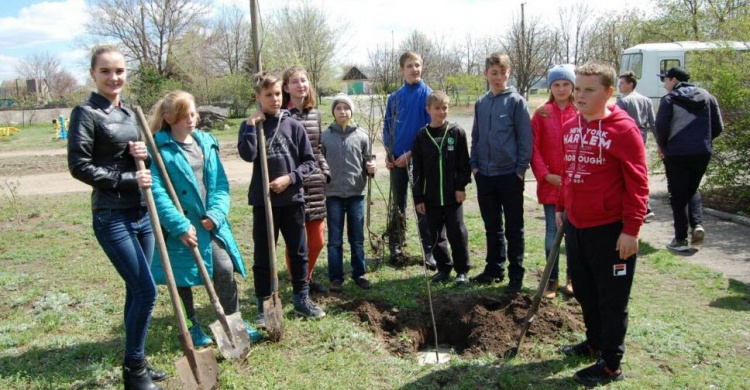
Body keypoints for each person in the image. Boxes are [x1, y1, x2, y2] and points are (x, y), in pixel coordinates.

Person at [67, 45, 165, 390]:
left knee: (135, 291)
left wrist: (143, 155)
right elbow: (79, 166)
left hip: (140, 212)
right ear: (93, 74)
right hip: (111, 215)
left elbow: (139, 162)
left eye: (120, 71)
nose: (114, 77)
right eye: (106, 71)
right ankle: (134, 369)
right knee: (146, 291)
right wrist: (126, 179)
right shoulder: (85, 113)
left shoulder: (128, 114)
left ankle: (135, 358)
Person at [555, 62, 649, 387]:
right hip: (577, 226)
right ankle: (593, 342)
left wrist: (631, 230)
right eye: (577, 88)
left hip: (611, 231)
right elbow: (568, 170)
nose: (579, 95)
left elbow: (638, 184)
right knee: (584, 290)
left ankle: (611, 364)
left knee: (612, 300)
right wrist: (561, 206)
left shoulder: (624, 131)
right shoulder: (572, 124)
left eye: (588, 90)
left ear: (609, 92)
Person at [146, 91, 248, 347]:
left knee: (224, 268)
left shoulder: (206, 143)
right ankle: (192, 325)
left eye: (192, 113)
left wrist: (216, 213)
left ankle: (234, 323)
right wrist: (178, 225)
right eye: (182, 116)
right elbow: (156, 191)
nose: (190, 120)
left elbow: (221, 184)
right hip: (178, 226)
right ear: (168, 118)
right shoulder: (158, 149)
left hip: (209, 223)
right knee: (181, 278)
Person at [237, 73, 325, 324]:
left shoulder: (294, 126)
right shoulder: (252, 125)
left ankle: (301, 299)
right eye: (268, 95)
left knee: (299, 252)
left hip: (292, 200)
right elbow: (248, 154)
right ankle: (263, 307)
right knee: (263, 255)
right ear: (258, 98)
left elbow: (309, 162)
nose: (275, 99)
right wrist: (252, 126)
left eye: (277, 94)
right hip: (263, 202)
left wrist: (290, 178)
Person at [469, 53, 532, 295]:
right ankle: (494, 268)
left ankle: (516, 274)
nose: (497, 77)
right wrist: (475, 165)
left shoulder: (516, 102)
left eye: (501, 72)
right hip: (485, 174)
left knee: (514, 227)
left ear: (509, 73)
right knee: (492, 225)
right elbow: (475, 136)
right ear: (486, 74)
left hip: (509, 175)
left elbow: (525, 139)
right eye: (493, 73)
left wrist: (520, 170)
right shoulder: (481, 103)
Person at [382, 51, 440, 269]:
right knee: (398, 202)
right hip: (397, 160)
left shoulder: (428, 96)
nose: (414, 69)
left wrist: (412, 154)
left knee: (422, 205)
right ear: (401, 69)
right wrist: (390, 152)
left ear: (422, 67)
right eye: (409, 66)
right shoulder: (394, 97)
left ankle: (429, 250)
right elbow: (387, 126)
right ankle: (396, 244)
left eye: (417, 65)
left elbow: (429, 130)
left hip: (419, 160)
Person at [655, 66, 723, 251]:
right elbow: (718, 127)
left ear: (674, 80)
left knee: (678, 194)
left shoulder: (669, 99)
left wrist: (662, 146)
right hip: (702, 151)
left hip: (676, 153)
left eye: (665, 80)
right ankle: (698, 225)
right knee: (692, 189)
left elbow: (660, 126)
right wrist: (703, 141)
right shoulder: (708, 97)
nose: (664, 85)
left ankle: (680, 238)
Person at [412, 91, 471, 285]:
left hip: (452, 195)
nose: (441, 112)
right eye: (437, 108)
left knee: (457, 232)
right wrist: (418, 197)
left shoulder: (456, 132)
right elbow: (417, 170)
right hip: (430, 197)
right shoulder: (421, 136)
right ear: (428, 109)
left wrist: (461, 186)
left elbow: (464, 163)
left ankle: (462, 270)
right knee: (436, 234)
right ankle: (444, 268)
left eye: (444, 108)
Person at [281, 65, 331, 294]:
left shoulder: (315, 114)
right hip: (294, 184)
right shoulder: (281, 115)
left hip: (316, 184)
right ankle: (299, 284)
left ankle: (306, 278)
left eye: (303, 80)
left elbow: (317, 149)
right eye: (294, 81)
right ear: (285, 87)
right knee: (296, 242)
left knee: (317, 241)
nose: (300, 85)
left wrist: (325, 171)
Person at [321, 94, 376, 291]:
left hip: (356, 194)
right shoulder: (325, 136)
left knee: (357, 238)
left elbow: (370, 159)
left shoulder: (361, 135)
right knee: (335, 239)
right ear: (333, 112)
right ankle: (336, 277)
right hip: (333, 194)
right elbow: (320, 163)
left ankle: (359, 273)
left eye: (346, 108)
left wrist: (372, 167)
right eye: (338, 108)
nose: (342, 111)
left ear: (351, 111)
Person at [531, 64, 577, 299]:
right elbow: (534, 148)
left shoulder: (579, 112)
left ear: (572, 86)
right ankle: (551, 279)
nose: (561, 89)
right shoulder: (541, 113)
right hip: (551, 185)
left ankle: (572, 278)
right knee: (552, 233)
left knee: (574, 235)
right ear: (550, 87)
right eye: (556, 84)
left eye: (565, 84)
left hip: (576, 186)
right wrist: (546, 175)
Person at [617, 70, 657, 221]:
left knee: (627, 172)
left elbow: (618, 122)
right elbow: (653, 123)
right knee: (639, 170)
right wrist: (660, 142)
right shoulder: (646, 100)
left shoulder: (624, 101)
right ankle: (644, 205)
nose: (619, 87)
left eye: (622, 84)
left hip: (627, 137)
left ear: (630, 84)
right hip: (641, 136)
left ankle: (642, 206)